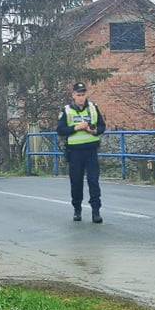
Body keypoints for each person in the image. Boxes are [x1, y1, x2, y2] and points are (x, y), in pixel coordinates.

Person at [57, 82, 106, 223]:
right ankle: (77, 209)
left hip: (91, 150)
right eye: (78, 95)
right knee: (76, 183)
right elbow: (60, 130)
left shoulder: (93, 108)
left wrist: (94, 130)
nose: (81, 98)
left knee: (93, 182)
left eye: (83, 95)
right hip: (75, 152)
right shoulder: (66, 110)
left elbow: (102, 126)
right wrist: (76, 128)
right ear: (73, 95)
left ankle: (96, 212)